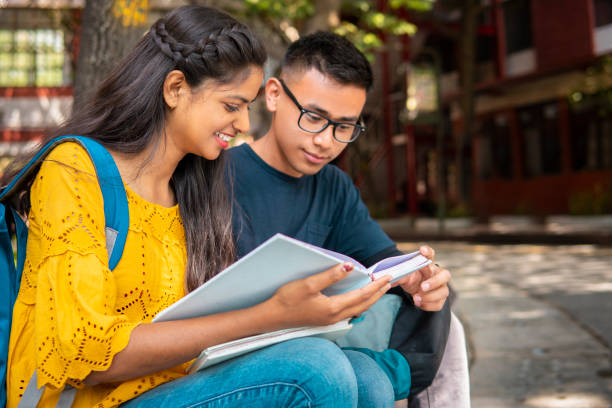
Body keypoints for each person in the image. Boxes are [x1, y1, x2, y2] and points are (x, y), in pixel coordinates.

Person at [3, 6, 402, 408]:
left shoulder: (194, 183)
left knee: (368, 379)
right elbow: (85, 353)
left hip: (173, 384)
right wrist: (273, 314)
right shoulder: (74, 170)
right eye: (232, 106)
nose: (245, 123)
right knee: (317, 369)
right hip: (86, 400)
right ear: (175, 88)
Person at [227, 32, 470, 407]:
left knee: (434, 308)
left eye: (344, 127)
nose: (326, 140)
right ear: (273, 94)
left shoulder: (333, 187)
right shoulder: (216, 175)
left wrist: (421, 276)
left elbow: (384, 261)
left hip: (313, 344)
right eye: (314, 118)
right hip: (231, 352)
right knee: (339, 372)